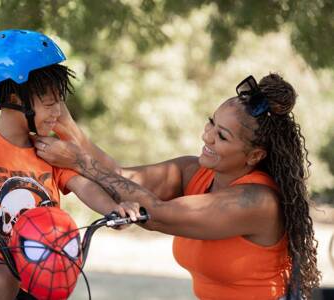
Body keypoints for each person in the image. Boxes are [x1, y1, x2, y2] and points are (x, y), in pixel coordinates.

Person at [33, 73, 321, 299]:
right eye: (211, 123)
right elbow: (119, 177)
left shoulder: (257, 201)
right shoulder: (194, 171)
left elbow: (157, 215)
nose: (206, 136)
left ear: (255, 155)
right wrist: (65, 123)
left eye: (221, 136)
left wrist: (80, 163)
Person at [0, 29, 137, 300]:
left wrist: (114, 209)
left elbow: (83, 186)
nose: (59, 113)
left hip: (39, 264)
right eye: (50, 103)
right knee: (3, 281)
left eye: (60, 102)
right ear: (16, 100)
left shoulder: (51, 151)